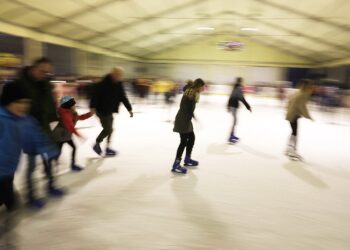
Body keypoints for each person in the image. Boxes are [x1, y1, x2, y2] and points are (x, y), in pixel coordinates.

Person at [0, 83, 58, 234]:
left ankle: (6, 235)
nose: (23, 106)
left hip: (8, 172)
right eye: (18, 102)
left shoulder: (26, 121)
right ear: (8, 101)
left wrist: (50, 150)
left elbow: (38, 137)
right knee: (13, 204)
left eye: (27, 102)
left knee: (12, 205)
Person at [14, 57, 63, 208]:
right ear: (33, 68)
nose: (45, 74)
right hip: (28, 129)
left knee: (49, 159)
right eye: (42, 71)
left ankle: (51, 185)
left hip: (44, 127)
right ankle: (30, 196)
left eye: (47, 72)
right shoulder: (19, 84)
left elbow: (49, 103)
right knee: (31, 165)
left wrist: (54, 117)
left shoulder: (45, 83)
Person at [90, 67, 133, 156]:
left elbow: (123, 97)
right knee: (108, 129)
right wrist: (92, 107)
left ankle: (107, 148)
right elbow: (95, 95)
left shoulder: (118, 84)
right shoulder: (102, 83)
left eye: (120, 75)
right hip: (101, 110)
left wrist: (129, 109)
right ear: (113, 74)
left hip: (110, 110)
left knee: (110, 129)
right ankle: (97, 143)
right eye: (118, 74)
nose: (120, 77)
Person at [172, 78, 205, 174]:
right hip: (183, 119)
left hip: (185, 118)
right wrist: (193, 116)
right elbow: (188, 105)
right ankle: (176, 164)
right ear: (199, 86)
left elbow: (188, 105)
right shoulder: (192, 92)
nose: (204, 89)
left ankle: (187, 159)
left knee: (191, 138)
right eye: (203, 87)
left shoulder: (192, 91)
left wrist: (193, 117)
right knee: (183, 142)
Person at [52, 96, 92, 171]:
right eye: (73, 104)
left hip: (66, 134)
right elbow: (70, 127)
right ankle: (51, 161)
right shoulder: (65, 114)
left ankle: (70, 164)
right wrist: (80, 136)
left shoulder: (72, 112)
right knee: (60, 150)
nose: (75, 105)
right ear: (68, 105)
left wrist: (90, 114)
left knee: (64, 149)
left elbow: (80, 117)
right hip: (61, 134)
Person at [285, 79, 314, 159]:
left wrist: (288, 111)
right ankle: (292, 151)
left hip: (291, 114)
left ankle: (288, 149)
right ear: (307, 86)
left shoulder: (298, 92)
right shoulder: (303, 94)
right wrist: (308, 116)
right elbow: (302, 107)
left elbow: (289, 101)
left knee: (293, 132)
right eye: (311, 86)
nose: (312, 87)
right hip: (294, 115)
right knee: (295, 133)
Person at [227, 77, 252, 143]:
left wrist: (228, 106)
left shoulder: (235, 87)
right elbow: (242, 98)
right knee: (235, 121)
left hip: (233, 106)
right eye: (242, 82)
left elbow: (231, 96)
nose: (243, 83)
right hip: (233, 106)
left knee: (235, 121)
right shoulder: (238, 88)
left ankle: (232, 135)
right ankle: (231, 136)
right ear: (240, 82)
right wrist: (248, 107)